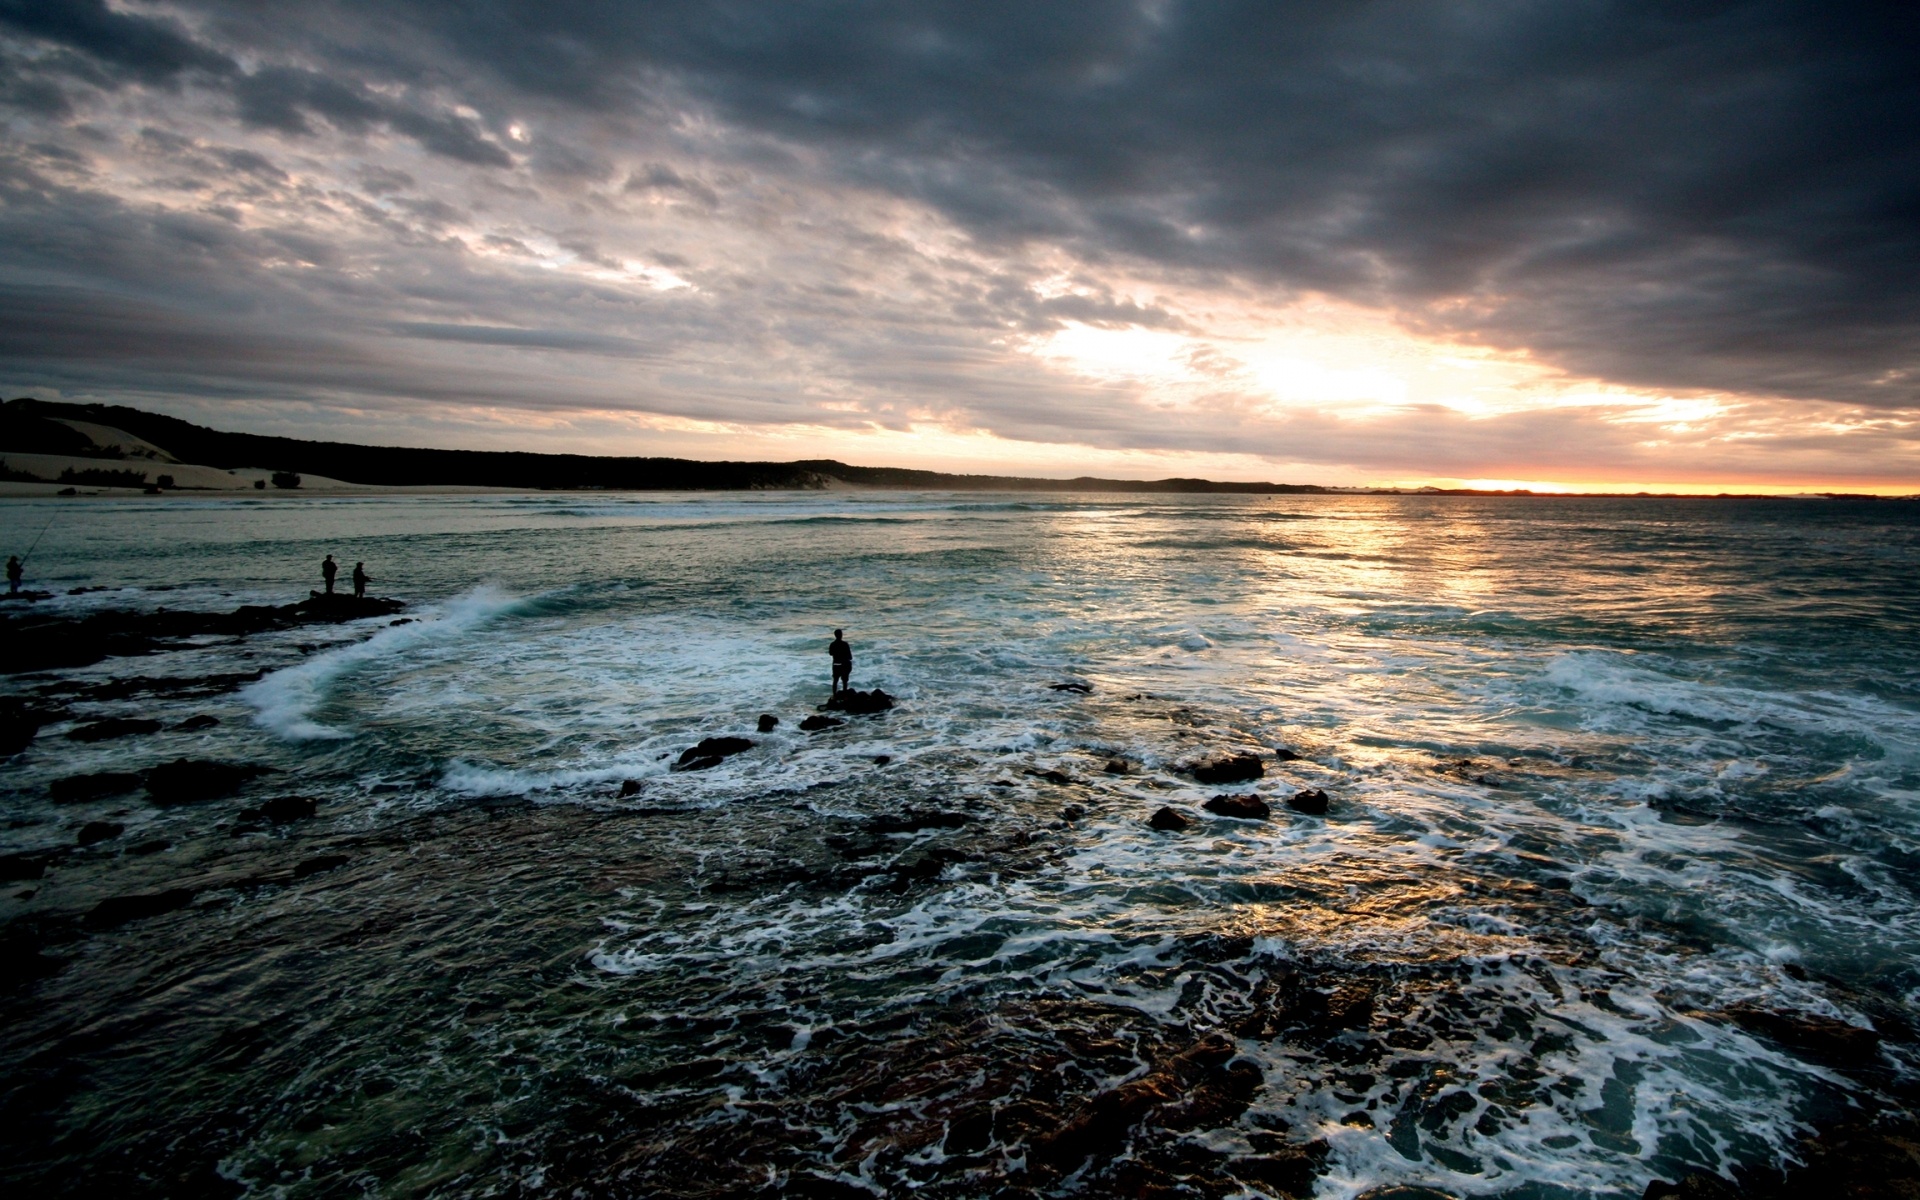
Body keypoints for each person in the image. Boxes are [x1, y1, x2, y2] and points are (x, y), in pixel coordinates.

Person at [829, 628, 853, 694]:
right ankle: (845, 695)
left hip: (836, 664)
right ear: (841, 635)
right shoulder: (845, 644)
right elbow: (850, 657)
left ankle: (834, 695)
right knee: (844, 681)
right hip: (844, 664)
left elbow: (830, 653)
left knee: (835, 681)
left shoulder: (832, 644)